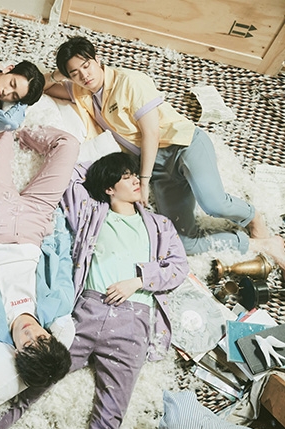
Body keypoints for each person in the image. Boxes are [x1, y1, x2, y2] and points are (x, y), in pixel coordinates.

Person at [0, 148, 189, 429]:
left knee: (111, 412)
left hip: (133, 322)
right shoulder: (90, 211)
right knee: (37, 381)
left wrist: (138, 281)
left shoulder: (160, 225)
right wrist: (104, 170)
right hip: (87, 311)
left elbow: (179, 267)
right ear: (109, 188)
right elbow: (72, 173)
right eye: (126, 177)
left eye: (134, 175)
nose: (136, 180)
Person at [44, 36, 285, 268]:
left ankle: (253, 217)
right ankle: (264, 245)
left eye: (86, 66)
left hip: (182, 145)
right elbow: (41, 87)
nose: (84, 75)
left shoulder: (130, 81)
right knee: (185, 241)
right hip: (159, 169)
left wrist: (144, 181)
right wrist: (59, 75)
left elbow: (152, 133)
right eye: (75, 73)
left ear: (97, 59)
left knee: (213, 204)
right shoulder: (80, 90)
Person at [0, 126, 80, 388]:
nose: (31, 333)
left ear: (16, 353)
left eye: (28, 345)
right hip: (36, 222)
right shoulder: (59, 305)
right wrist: (54, 224)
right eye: (42, 338)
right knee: (68, 144)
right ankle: (24, 132)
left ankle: (9, 127)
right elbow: (63, 260)